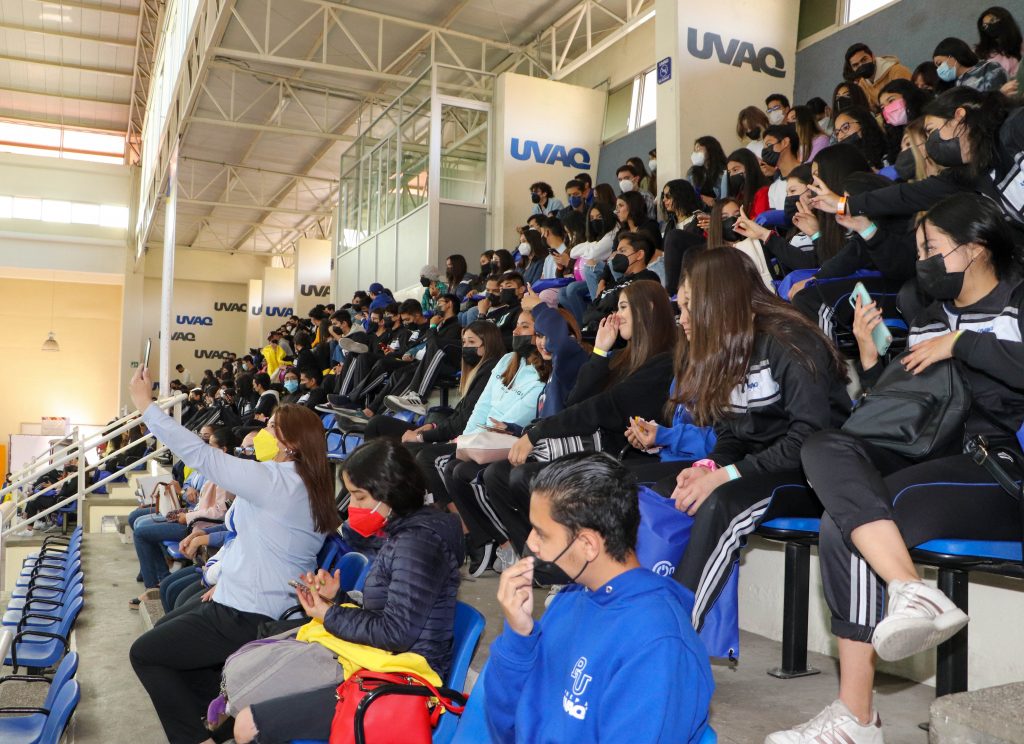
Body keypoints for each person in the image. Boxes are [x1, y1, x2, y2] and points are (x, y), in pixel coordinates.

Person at [768, 193, 1024, 743]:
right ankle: (910, 590)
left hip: (989, 466)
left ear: (976, 248)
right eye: (920, 250)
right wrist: (870, 362)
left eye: (932, 248)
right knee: (824, 448)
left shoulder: (1016, 301)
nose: (922, 260)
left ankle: (857, 718)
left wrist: (963, 344)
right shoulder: (928, 315)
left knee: (847, 521)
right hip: (921, 454)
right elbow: (904, 409)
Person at [127, 362, 341, 744]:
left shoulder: (278, 481)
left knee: (146, 653)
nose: (263, 432)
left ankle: (202, 735)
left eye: (272, 427)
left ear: (291, 444)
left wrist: (148, 407)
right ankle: (222, 717)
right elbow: (256, 542)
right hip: (248, 599)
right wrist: (224, 579)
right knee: (166, 643)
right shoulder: (305, 482)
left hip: (249, 612)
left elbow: (203, 456)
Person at [656, 249, 850, 640]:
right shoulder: (726, 349)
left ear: (719, 300)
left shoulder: (790, 341)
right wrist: (709, 467)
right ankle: (637, 614)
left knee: (720, 502)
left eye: (691, 306)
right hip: (759, 468)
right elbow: (732, 433)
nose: (682, 318)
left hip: (816, 476)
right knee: (665, 489)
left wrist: (725, 476)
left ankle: (673, 638)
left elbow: (808, 438)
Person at [230, 439, 464, 744]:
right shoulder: (406, 535)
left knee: (248, 723)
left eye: (359, 496)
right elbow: (391, 615)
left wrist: (329, 614)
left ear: (391, 492)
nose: (352, 507)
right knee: (260, 671)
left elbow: (395, 633)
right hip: (385, 662)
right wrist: (336, 599)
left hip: (399, 681)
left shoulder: (417, 544)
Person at [486, 453, 714, 743]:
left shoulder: (658, 646)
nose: (530, 542)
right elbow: (506, 726)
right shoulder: (572, 597)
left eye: (542, 533)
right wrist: (519, 636)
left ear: (588, 544)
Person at [483, 280, 676, 558]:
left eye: (624, 307)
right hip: (594, 449)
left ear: (648, 308)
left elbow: (603, 406)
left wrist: (537, 434)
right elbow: (577, 400)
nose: (617, 315)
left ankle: (561, 562)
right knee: (497, 475)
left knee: (523, 477)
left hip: (624, 457)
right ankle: (539, 560)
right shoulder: (621, 357)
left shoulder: (664, 361)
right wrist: (600, 351)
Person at [810, 87, 1024, 226]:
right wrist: (843, 204)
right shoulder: (965, 176)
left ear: (959, 116)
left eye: (930, 131)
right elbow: (904, 196)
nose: (930, 143)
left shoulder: (1015, 127)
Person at [130, 428, 234, 606]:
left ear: (224, 450)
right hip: (192, 518)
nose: (207, 448)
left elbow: (220, 512)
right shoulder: (213, 468)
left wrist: (189, 516)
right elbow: (192, 489)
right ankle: (159, 578)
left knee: (141, 532)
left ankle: (153, 584)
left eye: (211, 445)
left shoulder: (225, 474)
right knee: (141, 525)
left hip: (198, 524)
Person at [661, 178, 707, 291]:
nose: (664, 200)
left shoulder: (700, 218)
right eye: (663, 196)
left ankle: (671, 291)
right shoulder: (669, 225)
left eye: (668, 196)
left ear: (680, 195)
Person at [843, 43, 911, 110]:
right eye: (855, 65)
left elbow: (911, 97)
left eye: (864, 60)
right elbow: (872, 110)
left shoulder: (896, 71)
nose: (861, 66)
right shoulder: (862, 84)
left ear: (873, 57)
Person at [934, 36, 1009, 92]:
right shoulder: (949, 87)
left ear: (952, 56)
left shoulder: (990, 68)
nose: (939, 70)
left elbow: (998, 99)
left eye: (940, 64)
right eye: (937, 67)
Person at [975, 6, 1023, 78]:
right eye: (985, 26)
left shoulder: (1020, 45)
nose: (989, 26)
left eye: (992, 20)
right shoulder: (982, 52)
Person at [726, 147, 770, 218]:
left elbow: (760, 220)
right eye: (729, 172)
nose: (731, 175)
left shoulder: (763, 192)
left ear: (749, 167)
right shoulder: (739, 194)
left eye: (735, 170)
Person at [688, 136, 729, 200]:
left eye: (698, 149)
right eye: (695, 150)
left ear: (710, 149)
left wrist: (714, 202)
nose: (696, 153)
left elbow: (726, 198)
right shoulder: (692, 172)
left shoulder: (724, 171)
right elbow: (690, 194)